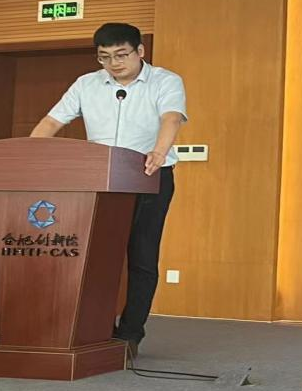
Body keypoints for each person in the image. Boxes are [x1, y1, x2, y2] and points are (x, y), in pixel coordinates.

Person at [31, 22, 187, 360]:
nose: (113, 63)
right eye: (104, 57)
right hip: (98, 178)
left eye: (121, 55)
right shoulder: (86, 84)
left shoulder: (165, 81)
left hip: (150, 176)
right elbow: (52, 121)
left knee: (141, 256)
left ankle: (130, 333)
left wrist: (159, 152)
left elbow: (171, 118)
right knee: (94, 255)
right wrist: (28, 154)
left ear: (139, 51)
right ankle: (92, 328)